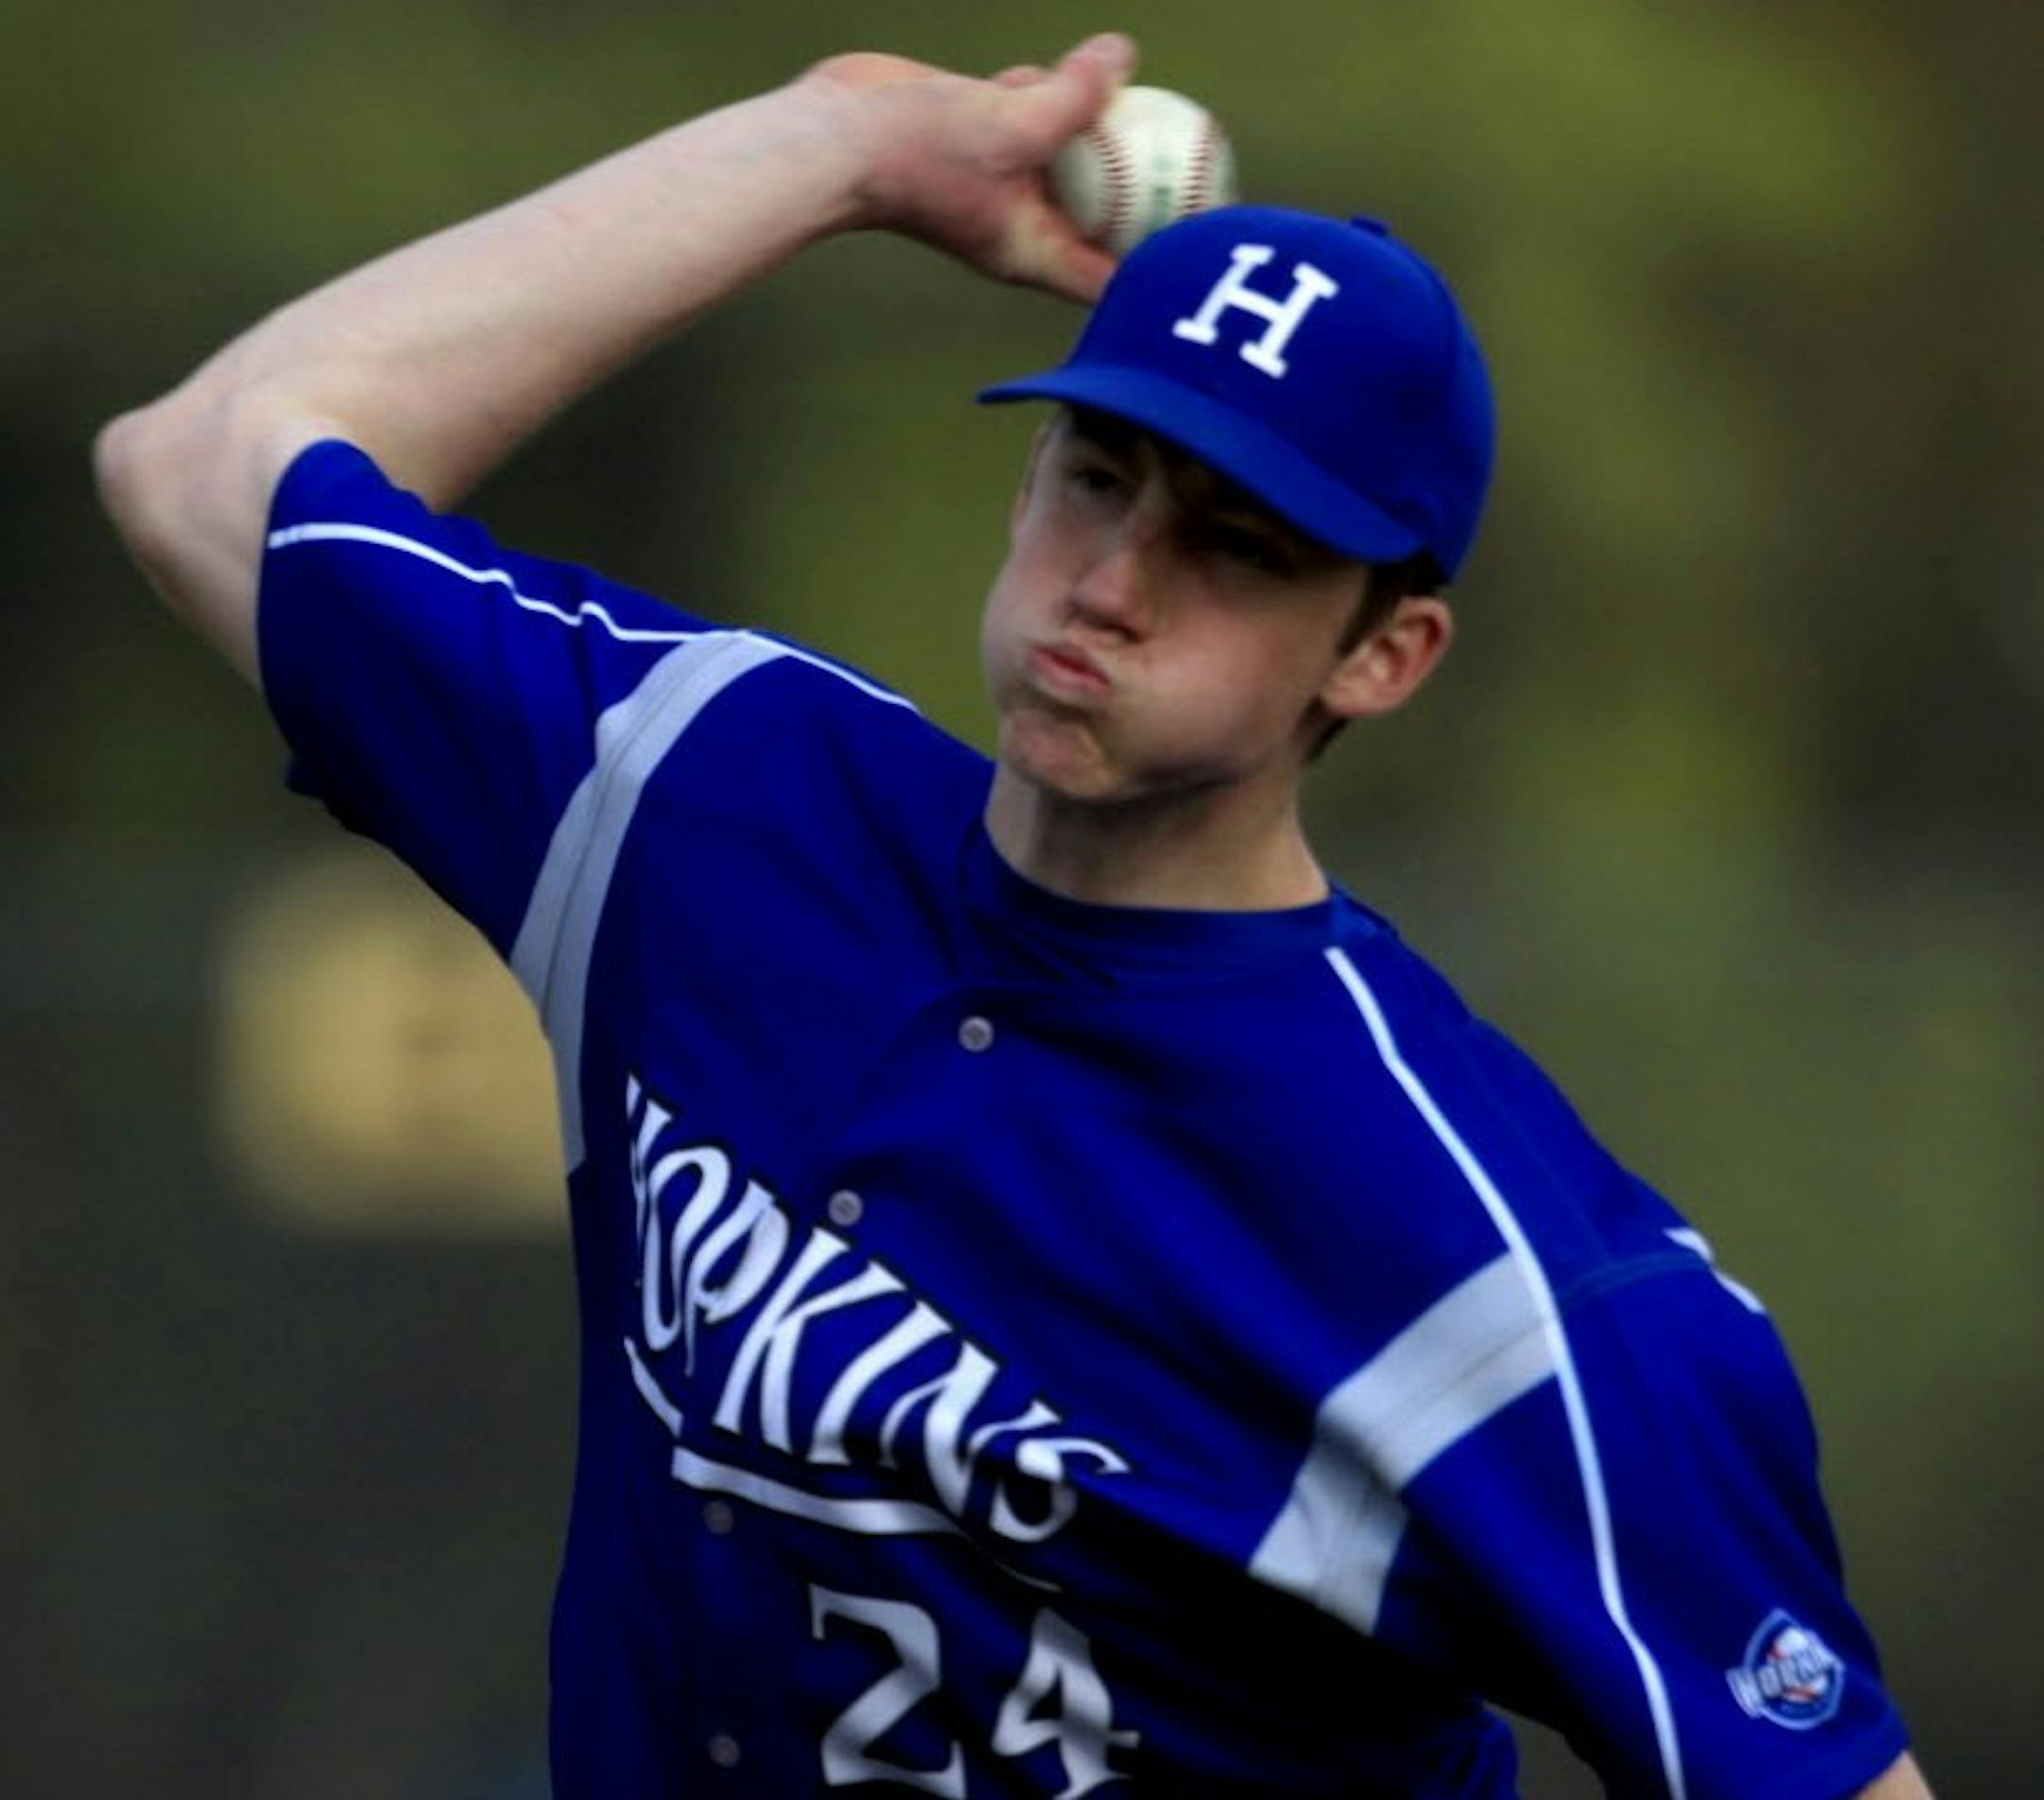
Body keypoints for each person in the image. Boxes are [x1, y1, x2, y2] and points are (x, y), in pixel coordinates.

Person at [96, 31, 1932, 1800]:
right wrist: (839, 148)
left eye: (1236, 547)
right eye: (1097, 476)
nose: (1116, 581)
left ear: (1384, 653)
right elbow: (200, 462)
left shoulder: (1490, 1284)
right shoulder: (701, 798)